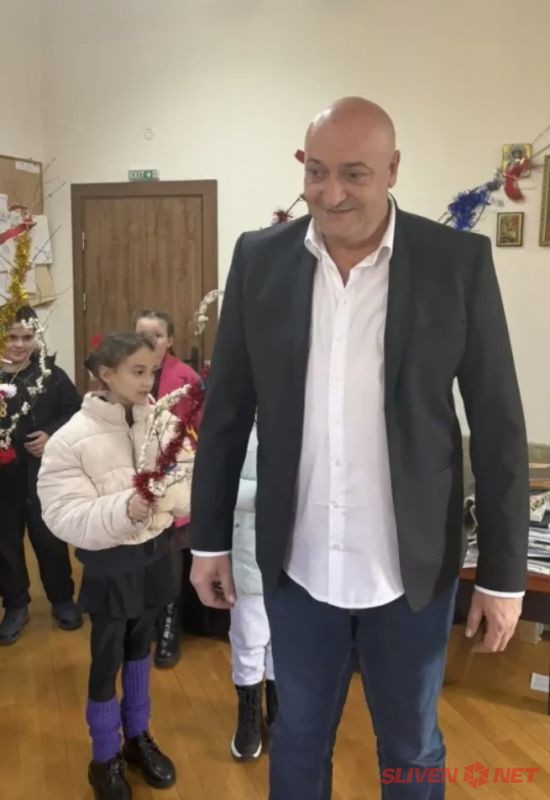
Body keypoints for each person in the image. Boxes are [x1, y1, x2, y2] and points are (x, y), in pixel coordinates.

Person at [189, 97, 529, 800]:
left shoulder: (455, 263)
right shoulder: (260, 259)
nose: (331, 193)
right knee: (298, 735)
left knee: (411, 743)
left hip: (409, 572)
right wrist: (209, 541)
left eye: (354, 173)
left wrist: (503, 578)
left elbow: (498, 427)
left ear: (393, 169)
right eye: (316, 172)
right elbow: (226, 414)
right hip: (298, 565)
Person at [37, 332, 194, 800]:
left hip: (156, 556)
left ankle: (137, 737)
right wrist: (126, 508)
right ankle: (104, 756)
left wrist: (166, 499)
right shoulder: (71, 439)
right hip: (110, 565)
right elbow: (62, 513)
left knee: (140, 648)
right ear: (106, 374)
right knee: (107, 659)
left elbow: (189, 475)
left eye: (153, 371)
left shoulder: (163, 423)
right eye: (137, 371)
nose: (149, 381)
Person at [0, 305, 82, 645]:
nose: (19, 344)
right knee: (5, 542)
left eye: (26, 337)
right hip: (4, 480)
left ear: (37, 338)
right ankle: (15, 604)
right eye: (11, 337)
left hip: (43, 476)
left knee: (49, 539)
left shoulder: (52, 375)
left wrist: (51, 435)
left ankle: (62, 598)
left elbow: (76, 413)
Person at [134, 309, 200, 668]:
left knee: (171, 553)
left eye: (156, 335)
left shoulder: (185, 378)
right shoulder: (123, 372)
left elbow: (201, 432)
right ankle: (144, 618)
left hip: (175, 475)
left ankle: (171, 625)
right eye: (142, 334)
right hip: (135, 477)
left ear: (170, 340)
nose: (149, 341)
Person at [229, 422, 277, 760]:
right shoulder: (238, 421)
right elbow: (213, 481)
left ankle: (278, 705)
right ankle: (248, 711)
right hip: (248, 549)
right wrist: (272, 496)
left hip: (298, 552)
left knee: (287, 637)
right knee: (249, 634)